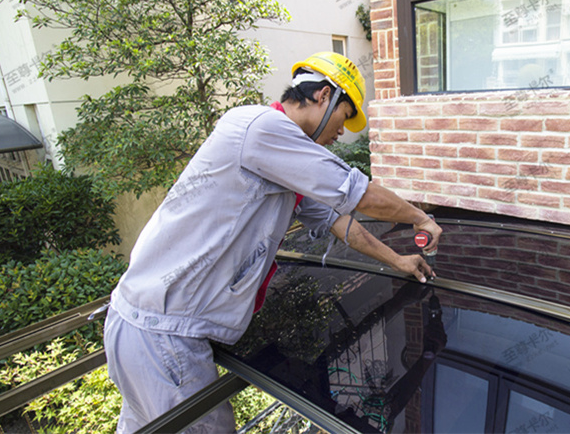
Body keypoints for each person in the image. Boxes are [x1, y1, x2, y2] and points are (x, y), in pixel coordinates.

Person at [103, 51, 442, 433]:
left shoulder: (283, 158)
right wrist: (420, 217)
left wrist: (397, 260)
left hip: (146, 327)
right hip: (164, 334)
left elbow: (341, 221)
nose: (343, 132)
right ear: (323, 96)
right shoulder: (260, 128)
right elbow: (359, 194)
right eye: (345, 116)